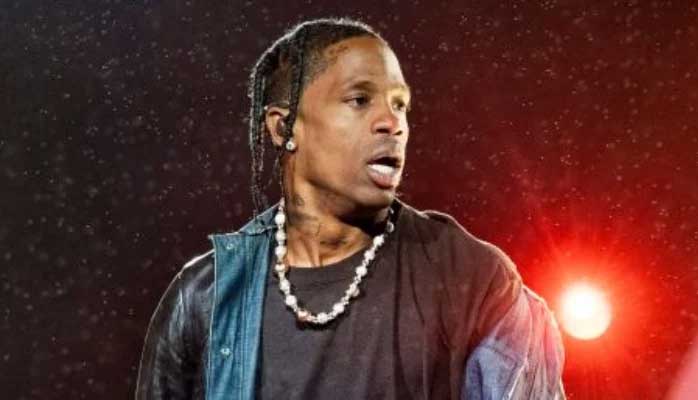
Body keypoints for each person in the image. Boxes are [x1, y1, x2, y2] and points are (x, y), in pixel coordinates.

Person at [135, 17, 566, 400]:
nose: (393, 123)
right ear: (284, 127)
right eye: (360, 100)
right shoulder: (205, 297)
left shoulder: (472, 278)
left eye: (400, 104)